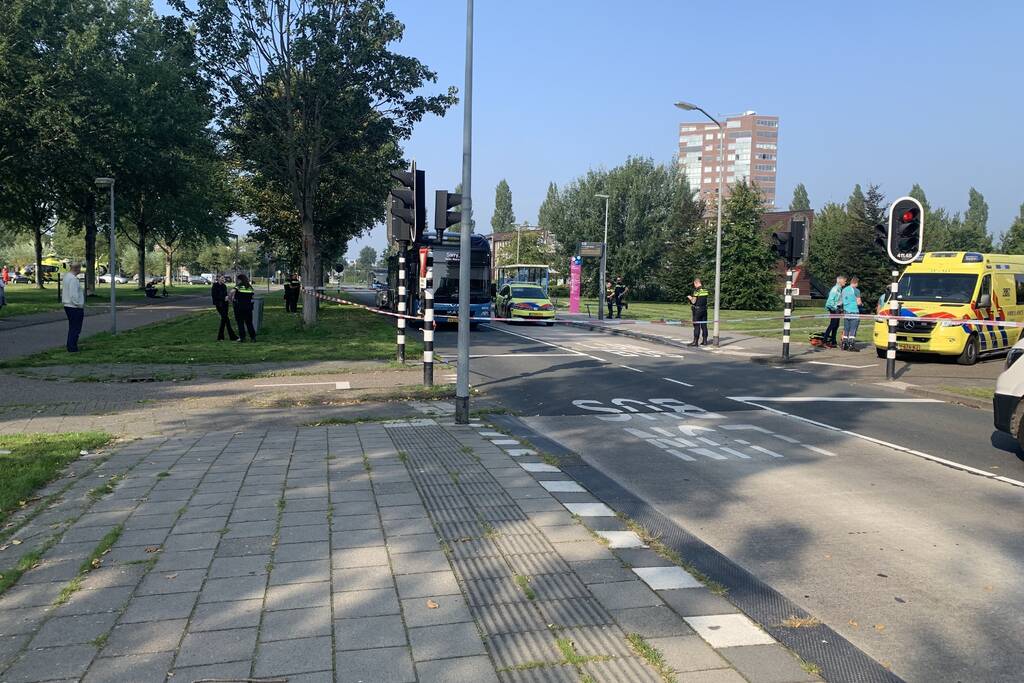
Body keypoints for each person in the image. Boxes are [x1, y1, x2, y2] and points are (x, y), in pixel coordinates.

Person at [62, 262, 85, 352]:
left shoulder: (67, 277)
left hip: (68, 305)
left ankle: (71, 345)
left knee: (72, 327)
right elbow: (73, 294)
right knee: (76, 328)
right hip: (74, 307)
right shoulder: (73, 280)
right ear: (77, 269)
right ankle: (72, 347)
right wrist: (79, 304)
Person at [230, 273, 257, 342]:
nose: (237, 281)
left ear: (240, 280)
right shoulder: (249, 287)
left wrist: (232, 298)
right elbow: (253, 296)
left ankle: (242, 338)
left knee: (240, 323)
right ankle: (253, 337)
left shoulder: (238, 286)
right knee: (249, 323)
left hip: (239, 307)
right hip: (248, 307)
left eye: (237, 280)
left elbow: (232, 291)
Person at [822, 275, 846, 348]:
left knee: (836, 325)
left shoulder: (839, 289)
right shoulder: (835, 289)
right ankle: (824, 341)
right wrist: (835, 308)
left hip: (837, 308)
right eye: (844, 281)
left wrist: (840, 308)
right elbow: (831, 300)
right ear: (839, 281)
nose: (845, 282)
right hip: (834, 309)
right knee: (833, 324)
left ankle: (833, 341)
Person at [212, 275, 237, 341]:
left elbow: (225, 295)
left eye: (224, 278)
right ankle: (233, 337)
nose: (223, 279)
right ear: (218, 278)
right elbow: (214, 296)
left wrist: (229, 298)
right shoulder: (215, 286)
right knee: (226, 320)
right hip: (219, 305)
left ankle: (220, 337)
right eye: (222, 278)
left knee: (224, 320)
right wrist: (223, 298)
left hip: (225, 305)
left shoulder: (224, 286)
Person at [841, 276, 863, 351]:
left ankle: (844, 343)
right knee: (853, 329)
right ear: (856, 283)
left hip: (846, 312)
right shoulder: (856, 290)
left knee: (846, 328)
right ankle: (851, 344)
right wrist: (861, 304)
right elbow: (858, 302)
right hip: (854, 312)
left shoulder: (844, 290)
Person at [687, 277, 710, 346]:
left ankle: (695, 342)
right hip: (704, 309)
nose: (694, 286)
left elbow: (693, 302)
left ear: (696, 283)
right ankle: (705, 341)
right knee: (704, 325)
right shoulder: (705, 290)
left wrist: (690, 297)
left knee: (696, 326)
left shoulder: (697, 291)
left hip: (697, 310)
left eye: (694, 284)